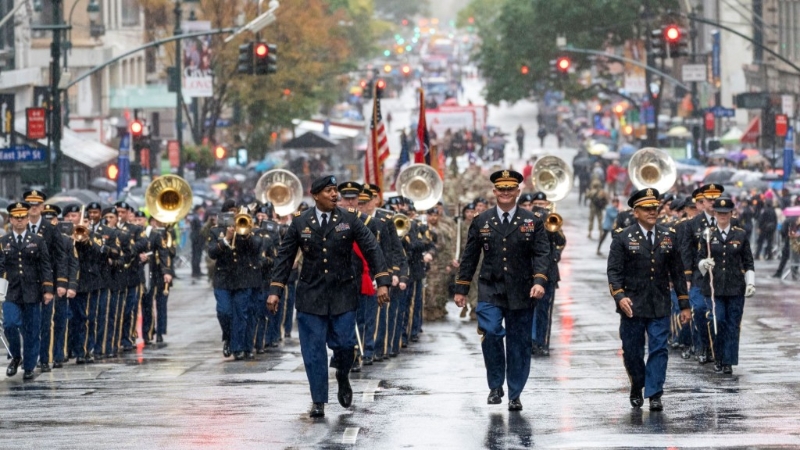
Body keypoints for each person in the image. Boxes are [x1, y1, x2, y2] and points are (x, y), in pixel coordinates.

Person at [267, 176, 391, 418]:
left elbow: (372, 248)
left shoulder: (349, 220)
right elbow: (284, 258)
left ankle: (342, 375)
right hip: (310, 296)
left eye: (336, 191)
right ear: (315, 195)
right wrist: (275, 290)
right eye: (329, 191)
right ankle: (318, 401)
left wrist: (383, 282)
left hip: (343, 294)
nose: (335, 195)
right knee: (313, 352)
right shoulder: (300, 222)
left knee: (345, 345)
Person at [454, 170, 550, 411]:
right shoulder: (481, 220)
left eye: (511, 189)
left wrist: (539, 281)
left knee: (519, 343)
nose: (506, 193)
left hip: (522, 290)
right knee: (491, 331)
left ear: (518, 191)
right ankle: (495, 385)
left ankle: (515, 393)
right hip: (491, 288)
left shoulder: (532, 221)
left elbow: (541, 254)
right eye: (501, 189)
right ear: (494, 191)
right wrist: (461, 288)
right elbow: (470, 256)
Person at [607, 188, 689, 411]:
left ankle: (654, 393)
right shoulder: (623, 237)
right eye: (647, 209)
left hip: (659, 303)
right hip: (632, 305)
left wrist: (684, 305)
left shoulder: (668, 236)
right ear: (636, 212)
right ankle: (637, 384)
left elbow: (678, 273)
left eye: (655, 208)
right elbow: (614, 272)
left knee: (659, 348)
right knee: (632, 351)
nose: (653, 212)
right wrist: (620, 297)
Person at [696, 196, 755, 375]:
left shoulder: (740, 234)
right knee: (717, 320)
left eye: (726, 213)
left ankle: (728, 361)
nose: (723, 216)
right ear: (715, 213)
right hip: (714, 288)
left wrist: (750, 282)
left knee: (732, 324)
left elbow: (748, 262)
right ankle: (718, 356)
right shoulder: (707, 234)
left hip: (735, 287)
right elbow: (699, 258)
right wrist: (703, 264)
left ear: (731, 213)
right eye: (719, 213)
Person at [1, 202, 54, 380]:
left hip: (32, 290)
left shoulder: (37, 240)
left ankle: (30, 366)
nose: (20, 221)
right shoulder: (4, 242)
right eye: (16, 217)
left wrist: (48, 289)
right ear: (10, 219)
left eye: (23, 217)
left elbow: (45, 266)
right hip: (12, 291)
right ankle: (16, 356)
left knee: (32, 330)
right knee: (10, 324)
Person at [679, 184, 724, 365]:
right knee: (699, 310)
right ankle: (703, 345)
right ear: (702, 202)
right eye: (710, 200)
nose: (713, 203)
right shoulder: (693, 224)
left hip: (721, 277)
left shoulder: (728, 221)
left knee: (719, 316)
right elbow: (686, 252)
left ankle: (718, 350)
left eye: (716, 199)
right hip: (699, 277)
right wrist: (687, 278)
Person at [529, 192, 566, 357]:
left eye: (543, 203)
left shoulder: (552, 219)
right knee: (528, 309)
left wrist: (551, 229)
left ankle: (542, 343)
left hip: (549, 273)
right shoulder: (527, 219)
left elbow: (561, 241)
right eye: (537, 203)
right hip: (530, 272)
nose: (540, 206)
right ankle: (529, 341)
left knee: (545, 310)